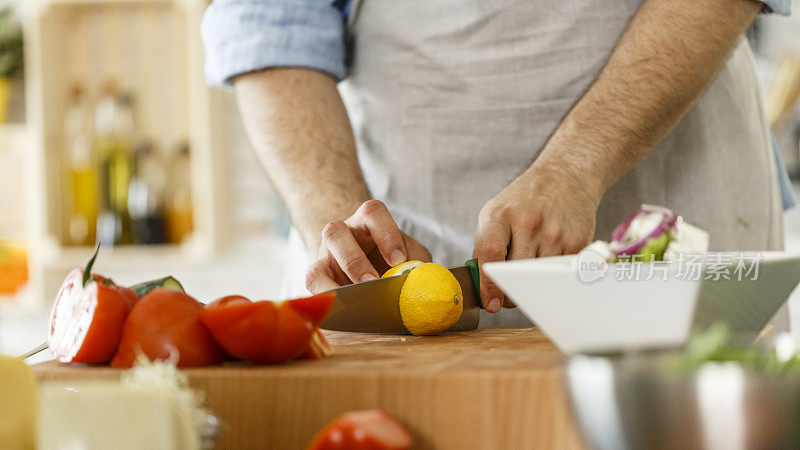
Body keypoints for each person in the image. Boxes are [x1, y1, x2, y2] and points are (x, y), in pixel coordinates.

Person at [202, 0, 794, 326]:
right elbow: (267, 24)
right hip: (411, 221)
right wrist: (343, 228)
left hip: (683, 192)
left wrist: (577, 164)